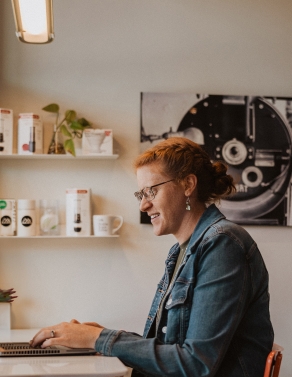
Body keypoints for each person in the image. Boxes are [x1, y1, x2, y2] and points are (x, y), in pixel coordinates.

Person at [31, 137, 274, 377]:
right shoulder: (180, 252)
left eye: (151, 191)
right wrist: (98, 337)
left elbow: (196, 363)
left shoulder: (223, 244)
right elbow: (171, 348)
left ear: (188, 184)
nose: (143, 205)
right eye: (141, 194)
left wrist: (100, 339)